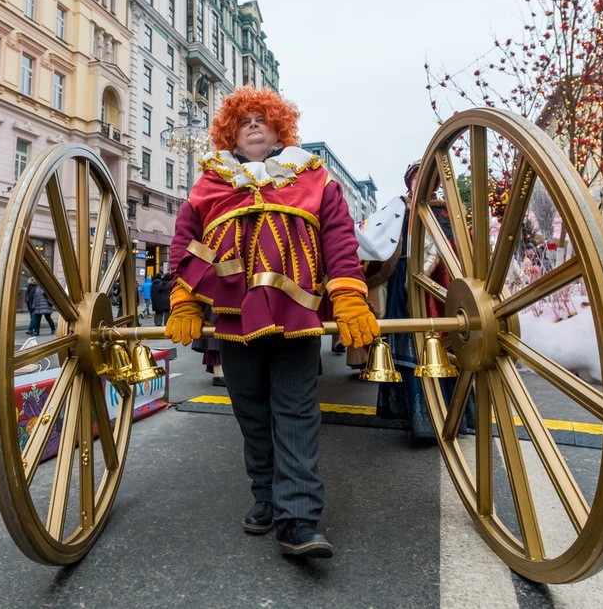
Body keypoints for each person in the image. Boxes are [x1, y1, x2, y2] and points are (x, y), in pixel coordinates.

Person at [164, 86, 379, 559]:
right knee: (252, 412)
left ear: (281, 127)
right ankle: (266, 497)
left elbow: (340, 241)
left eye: (263, 118)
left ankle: (298, 518)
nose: (255, 124)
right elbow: (184, 243)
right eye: (245, 121)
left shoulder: (315, 177)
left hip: (296, 316)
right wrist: (184, 300)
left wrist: (348, 297)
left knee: (297, 411)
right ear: (232, 135)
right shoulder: (208, 183)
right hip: (233, 318)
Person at [365, 160, 469, 438]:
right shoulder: (399, 207)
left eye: (428, 177)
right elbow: (374, 238)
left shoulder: (446, 211)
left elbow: (462, 246)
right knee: (410, 344)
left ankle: (447, 415)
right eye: (417, 176)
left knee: (443, 346)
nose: (422, 181)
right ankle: (419, 419)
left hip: (442, 282)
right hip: (405, 280)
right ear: (409, 180)